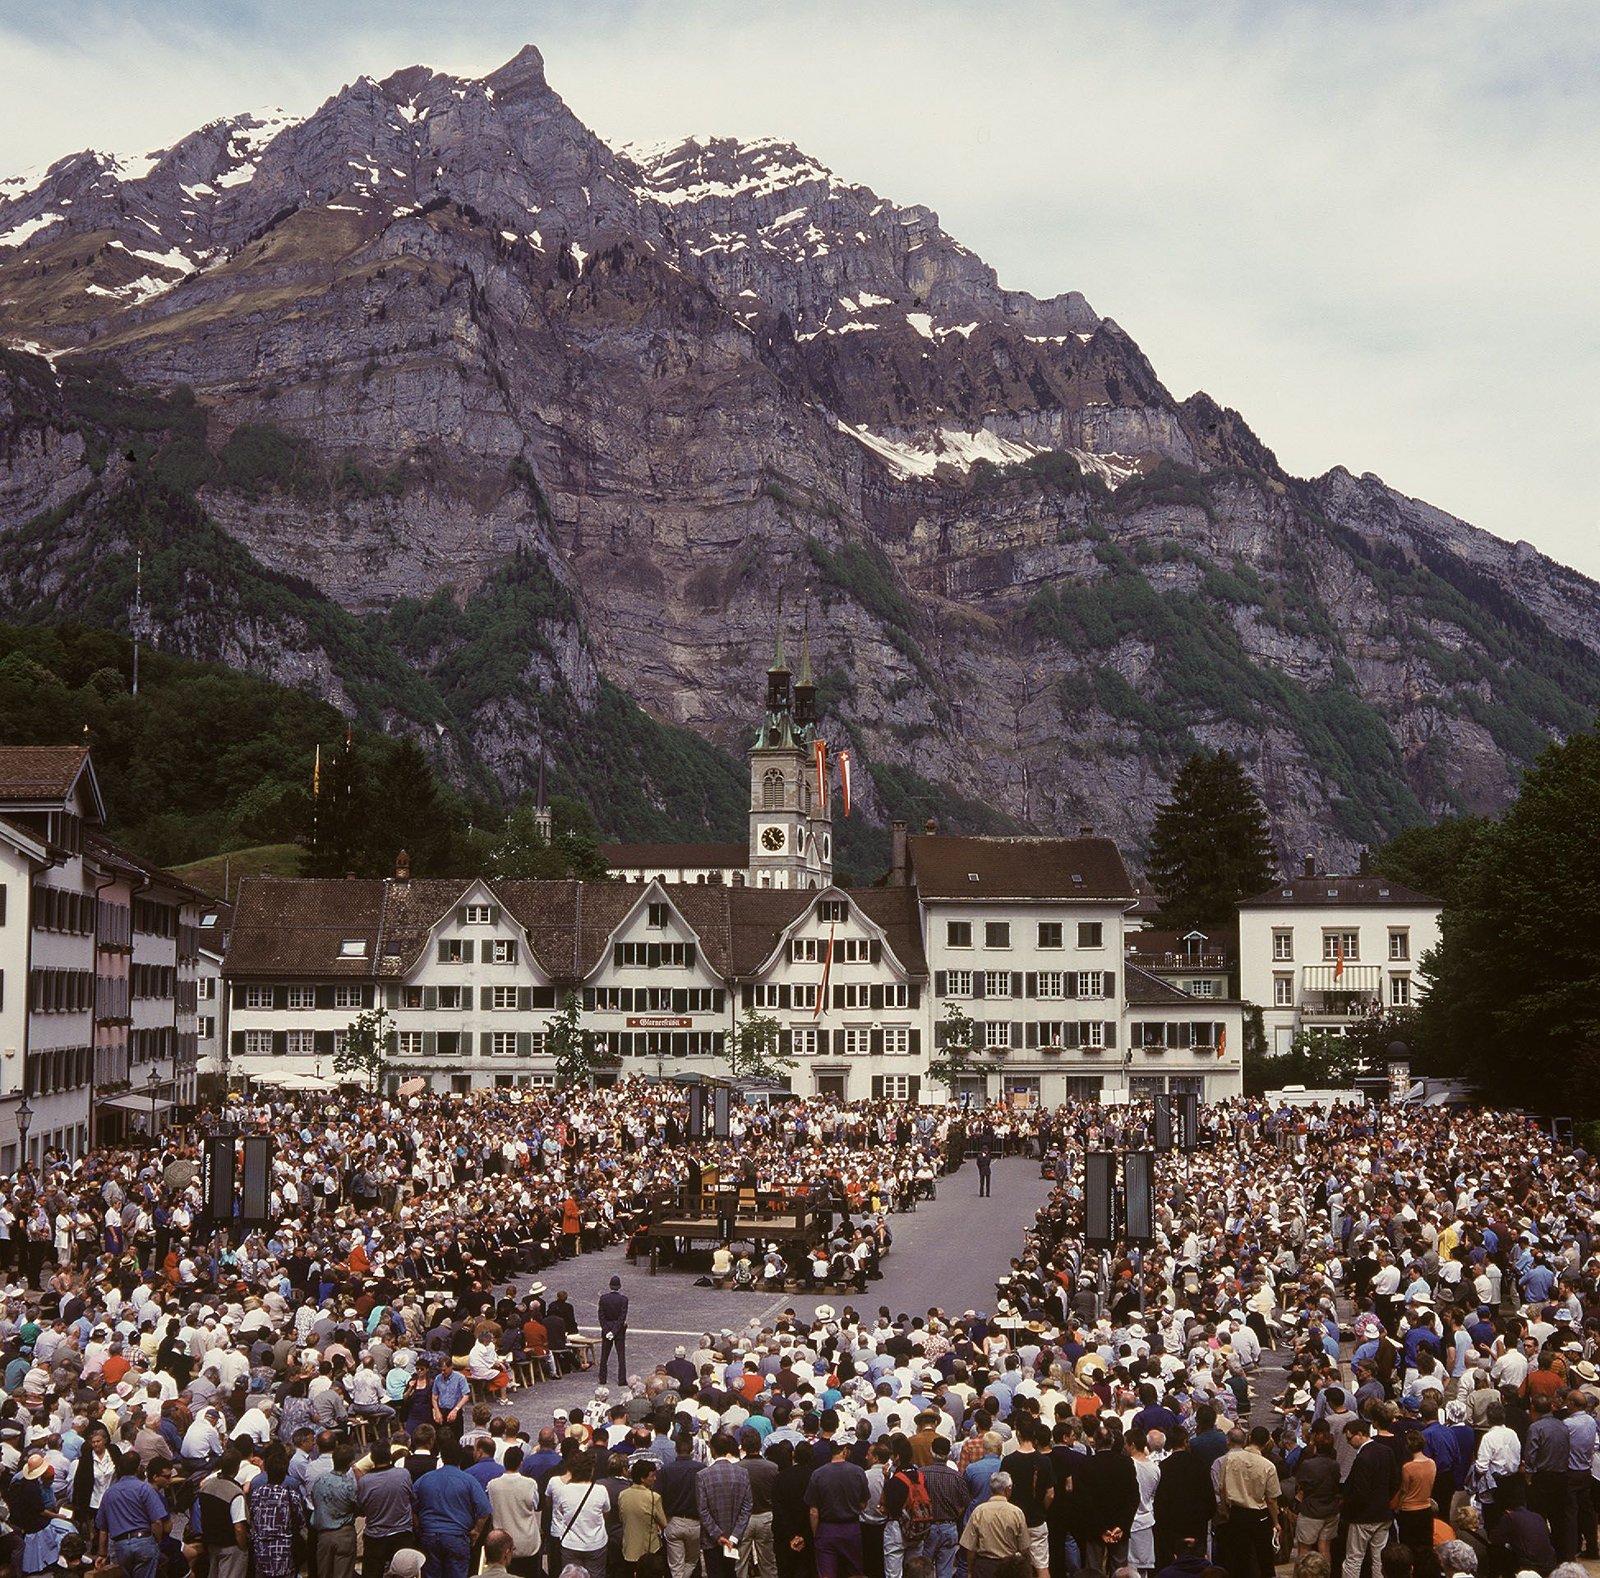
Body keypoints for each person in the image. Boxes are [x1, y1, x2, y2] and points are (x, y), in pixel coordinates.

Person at [414, 1438, 492, 1578]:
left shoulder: (425, 1479)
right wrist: (476, 1531)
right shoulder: (468, 1480)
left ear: (442, 1457)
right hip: (456, 1538)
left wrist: (418, 1524)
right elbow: (484, 1510)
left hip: (430, 1536)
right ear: (460, 1458)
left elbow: (411, 1504)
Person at [95, 1449, 172, 1578]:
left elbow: (103, 1528)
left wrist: (102, 1554)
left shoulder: (109, 1493)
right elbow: (157, 1521)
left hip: (121, 1546)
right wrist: (156, 1544)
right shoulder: (145, 1489)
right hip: (144, 1542)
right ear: (137, 1469)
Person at [806, 1436, 871, 1578]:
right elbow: (863, 1503)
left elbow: (813, 1512)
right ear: (845, 1450)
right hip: (851, 1528)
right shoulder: (858, 1472)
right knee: (855, 1573)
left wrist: (816, 1535)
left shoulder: (818, 1474)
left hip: (826, 1529)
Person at [1339, 1420, 1398, 1578]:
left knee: (1354, 1558)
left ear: (1360, 1434)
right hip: (1383, 1513)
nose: (1348, 1442)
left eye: (1350, 1438)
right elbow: (1394, 1482)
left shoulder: (1363, 1458)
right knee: (1379, 1558)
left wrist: (1346, 1508)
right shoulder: (1386, 1451)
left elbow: (1360, 1492)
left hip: (1363, 1517)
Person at [548, 1452, 612, 1578]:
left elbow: (559, 1511)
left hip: (571, 1543)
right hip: (596, 1542)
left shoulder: (564, 1490)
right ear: (591, 1471)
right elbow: (606, 1513)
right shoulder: (600, 1490)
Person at [698, 1432, 753, 1578]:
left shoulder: (703, 1475)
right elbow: (747, 1507)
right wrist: (734, 1536)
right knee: (731, 1573)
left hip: (711, 1539)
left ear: (712, 1450)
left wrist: (717, 1535)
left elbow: (702, 1510)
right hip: (733, 1538)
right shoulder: (742, 1473)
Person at [959, 1470, 1030, 1578]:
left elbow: (970, 1547)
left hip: (984, 1567)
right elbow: (1024, 1547)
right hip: (1009, 1568)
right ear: (1008, 1490)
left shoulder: (979, 1511)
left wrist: (970, 1571)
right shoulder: (1016, 1513)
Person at [247, 1445, 304, 1578]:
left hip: (261, 1549)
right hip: (284, 1551)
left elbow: (252, 1518)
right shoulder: (290, 1495)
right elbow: (300, 1522)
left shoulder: (256, 1494)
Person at [486, 1446, 543, 1578]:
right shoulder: (530, 1484)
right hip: (527, 1541)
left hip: (502, 1542)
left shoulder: (492, 1485)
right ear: (521, 1462)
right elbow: (534, 1505)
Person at [194, 1449, 250, 1578]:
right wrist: (243, 1548)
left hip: (212, 1544)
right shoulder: (235, 1493)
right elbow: (239, 1528)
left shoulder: (206, 1487)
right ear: (237, 1468)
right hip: (231, 1547)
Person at [310, 1440, 361, 1578]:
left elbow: (314, 1499)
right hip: (344, 1534)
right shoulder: (350, 1485)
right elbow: (359, 1507)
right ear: (350, 1463)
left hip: (323, 1535)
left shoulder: (320, 1480)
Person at [619, 1457, 669, 1578]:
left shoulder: (623, 1495)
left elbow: (622, 1518)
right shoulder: (653, 1497)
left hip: (629, 1548)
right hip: (649, 1549)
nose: (654, 1479)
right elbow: (663, 1522)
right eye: (652, 1476)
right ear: (643, 1478)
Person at [599, 1277, 630, 1388]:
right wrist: (614, 1331)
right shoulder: (624, 1300)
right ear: (619, 1286)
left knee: (604, 1356)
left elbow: (601, 1316)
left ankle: (602, 1378)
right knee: (621, 1356)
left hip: (607, 1328)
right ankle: (621, 1379)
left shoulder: (603, 1299)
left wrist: (607, 1330)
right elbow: (622, 1317)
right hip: (619, 1331)